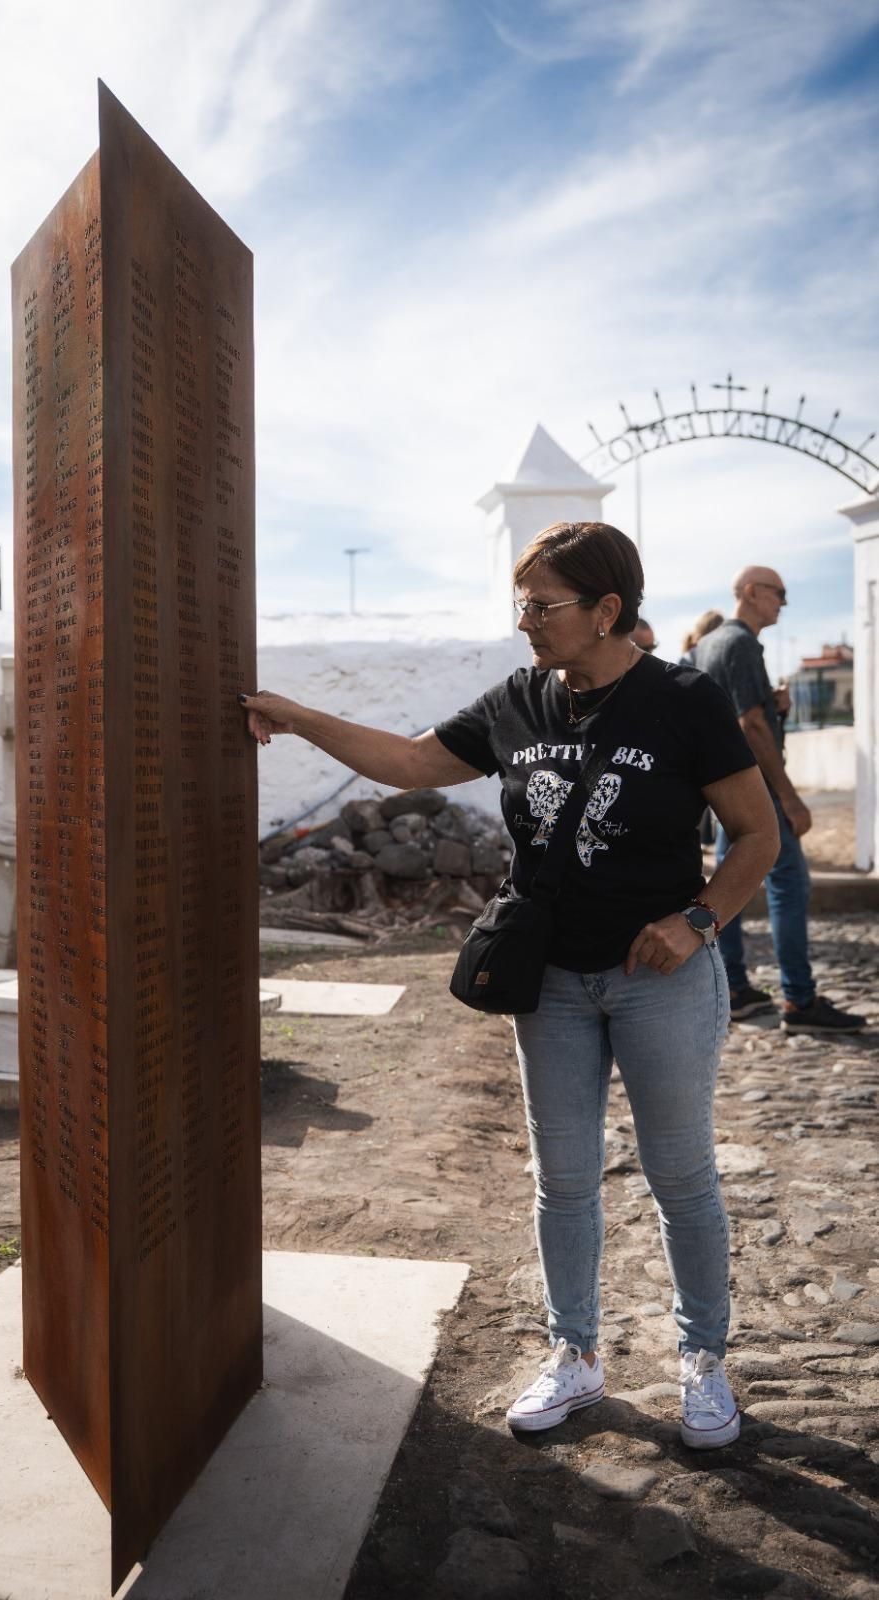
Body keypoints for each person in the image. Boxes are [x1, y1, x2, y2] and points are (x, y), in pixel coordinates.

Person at [242, 521, 779, 1450]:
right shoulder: (519, 701)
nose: (525, 620)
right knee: (563, 1181)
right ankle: (574, 1354)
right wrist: (303, 719)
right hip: (553, 984)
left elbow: (757, 836)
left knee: (680, 1175)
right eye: (520, 603)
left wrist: (696, 924)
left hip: (660, 981)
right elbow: (413, 762)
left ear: (608, 610)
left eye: (543, 605)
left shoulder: (683, 700)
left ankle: (703, 1360)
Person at [694, 568, 865, 1033]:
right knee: (790, 886)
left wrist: (774, 706)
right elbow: (750, 725)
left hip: (722, 790)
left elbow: (737, 713)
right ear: (752, 593)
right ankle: (800, 1000)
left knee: (727, 889)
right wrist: (789, 799)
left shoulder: (706, 645)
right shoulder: (741, 643)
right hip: (756, 792)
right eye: (779, 594)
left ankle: (733, 987)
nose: (784, 604)